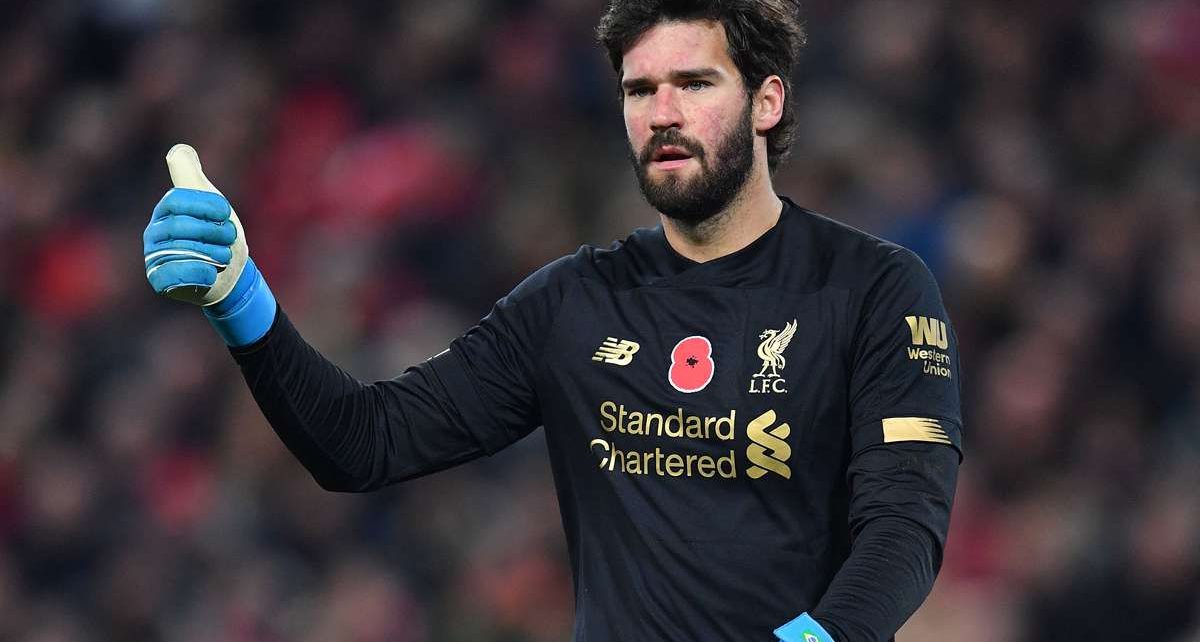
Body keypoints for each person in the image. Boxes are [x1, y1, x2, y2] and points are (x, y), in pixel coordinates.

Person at [141, 1, 962, 640]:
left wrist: (824, 638)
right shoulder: (575, 301)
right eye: (640, 90)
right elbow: (362, 442)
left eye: (695, 84)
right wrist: (240, 297)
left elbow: (904, 525)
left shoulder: (873, 289)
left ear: (766, 101)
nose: (662, 113)